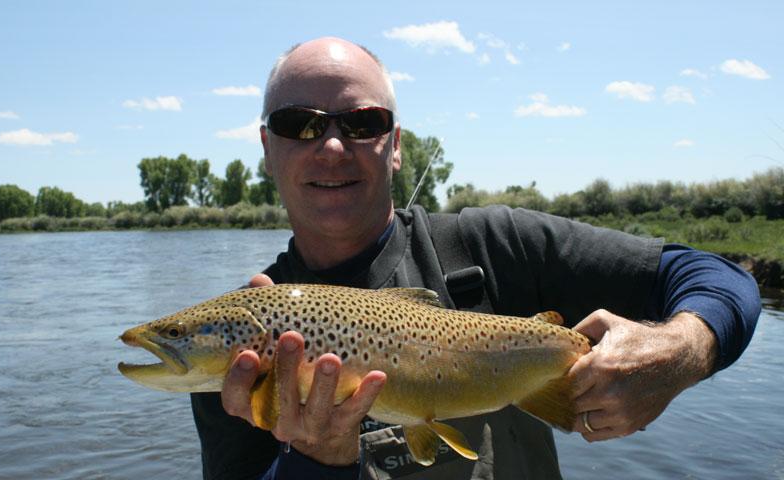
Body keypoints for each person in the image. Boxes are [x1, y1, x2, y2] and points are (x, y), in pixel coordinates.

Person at [190, 37, 761, 479]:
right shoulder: (241, 347)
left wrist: (681, 349)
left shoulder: (496, 244)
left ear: (394, 146)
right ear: (267, 148)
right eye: (300, 124)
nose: (333, 146)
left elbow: (715, 277)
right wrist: (316, 462)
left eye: (363, 123)